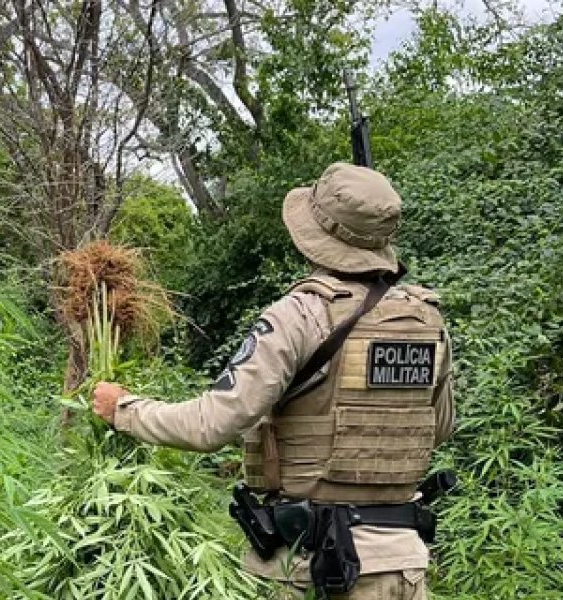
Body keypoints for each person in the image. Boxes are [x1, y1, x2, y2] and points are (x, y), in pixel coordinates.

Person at [92, 163, 455, 600]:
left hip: (314, 568)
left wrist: (125, 410)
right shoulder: (425, 319)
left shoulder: (300, 316)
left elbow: (212, 423)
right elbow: (439, 428)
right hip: (403, 567)